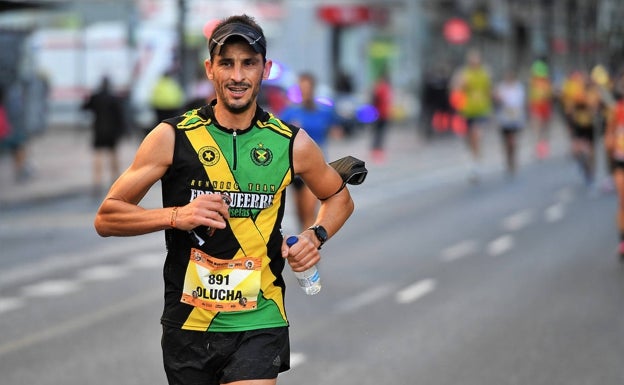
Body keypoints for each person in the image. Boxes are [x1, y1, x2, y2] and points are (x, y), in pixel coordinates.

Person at [94, 14, 354, 385]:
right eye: (226, 63)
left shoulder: (290, 143)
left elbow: (338, 197)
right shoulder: (172, 137)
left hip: (260, 320)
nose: (237, 75)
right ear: (209, 69)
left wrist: (316, 235)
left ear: (264, 69)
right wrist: (175, 215)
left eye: (248, 63)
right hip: (189, 324)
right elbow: (107, 218)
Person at [280, 72, 343, 230]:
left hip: (314, 168)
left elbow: (337, 129)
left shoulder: (324, 111)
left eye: (307, 88)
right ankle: (304, 244)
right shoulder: (291, 112)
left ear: (313, 89)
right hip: (294, 171)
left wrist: (336, 131)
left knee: (309, 214)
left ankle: (308, 248)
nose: (305, 91)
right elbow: (277, 135)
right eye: (302, 88)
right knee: (300, 216)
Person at [451, 48, 493, 182]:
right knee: (468, 139)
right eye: (472, 59)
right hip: (467, 110)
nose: (474, 62)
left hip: (481, 110)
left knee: (476, 135)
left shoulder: (485, 73)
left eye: (476, 59)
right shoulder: (463, 73)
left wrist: (491, 108)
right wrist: (460, 85)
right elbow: (455, 88)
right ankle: (474, 158)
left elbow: (489, 91)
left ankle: (475, 165)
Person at [81, 76, 126, 195]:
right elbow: (120, 117)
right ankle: (116, 182)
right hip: (112, 132)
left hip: (98, 130)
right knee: (113, 156)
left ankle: (97, 182)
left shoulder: (95, 97)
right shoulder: (114, 98)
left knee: (98, 156)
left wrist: (87, 97)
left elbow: (84, 107)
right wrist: (123, 131)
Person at [604, 70, 624, 260]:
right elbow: (609, 134)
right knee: (623, 200)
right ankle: (623, 239)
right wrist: (609, 143)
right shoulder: (617, 109)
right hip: (621, 160)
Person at [494, 69, 526, 177]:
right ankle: (508, 159)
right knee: (506, 141)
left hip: (515, 118)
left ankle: (513, 159)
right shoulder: (501, 88)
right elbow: (497, 100)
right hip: (504, 118)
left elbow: (520, 102)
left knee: (513, 140)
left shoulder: (518, 88)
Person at [528, 59, 553, 159]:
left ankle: (543, 148)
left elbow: (548, 95)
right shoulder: (533, 82)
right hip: (537, 107)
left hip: (544, 107)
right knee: (538, 130)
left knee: (543, 130)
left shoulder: (546, 82)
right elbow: (531, 96)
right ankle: (539, 149)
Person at [148, 68, 185, 135]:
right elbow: (178, 94)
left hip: (160, 108)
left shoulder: (159, 83)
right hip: (171, 108)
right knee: (171, 125)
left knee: (161, 125)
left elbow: (154, 95)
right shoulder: (173, 83)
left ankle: (160, 135)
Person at [370, 67, 392, 163]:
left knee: (379, 133)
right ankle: (376, 149)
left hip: (382, 113)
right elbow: (375, 99)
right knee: (378, 133)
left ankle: (377, 148)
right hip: (380, 113)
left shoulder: (382, 87)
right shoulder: (381, 87)